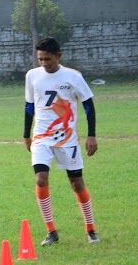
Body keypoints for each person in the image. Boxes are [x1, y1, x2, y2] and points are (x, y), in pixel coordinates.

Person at [24, 37, 99, 245]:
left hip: (67, 139)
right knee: (40, 179)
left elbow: (88, 106)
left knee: (76, 183)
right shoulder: (32, 76)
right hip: (41, 137)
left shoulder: (73, 77)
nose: (44, 63)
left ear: (59, 56)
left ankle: (91, 228)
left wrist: (91, 134)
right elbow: (29, 106)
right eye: (40, 59)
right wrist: (26, 134)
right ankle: (51, 231)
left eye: (48, 59)